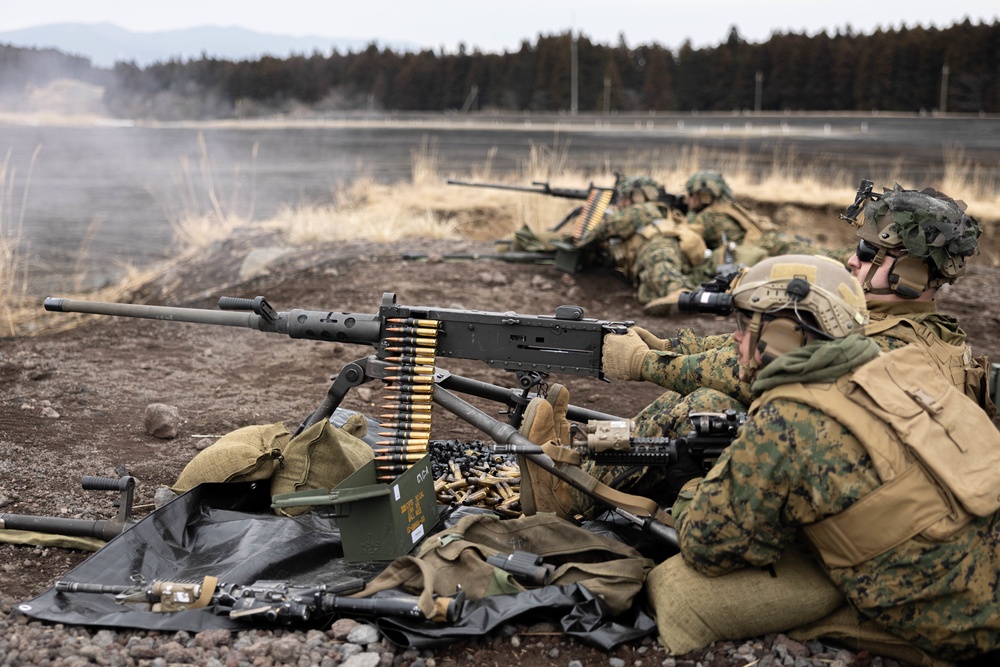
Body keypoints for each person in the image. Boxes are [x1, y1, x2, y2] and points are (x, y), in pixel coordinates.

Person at [519, 255, 1000, 663]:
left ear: (788, 338)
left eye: (747, 327)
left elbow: (709, 545)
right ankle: (575, 466)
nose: (736, 342)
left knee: (680, 586)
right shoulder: (905, 366)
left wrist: (689, 483)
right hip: (977, 568)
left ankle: (569, 484)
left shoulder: (790, 421)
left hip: (961, 623)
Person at [605, 183, 993, 452]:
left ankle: (572, 481)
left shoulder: (890, 346)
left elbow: (750, 368)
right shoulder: (919, 328)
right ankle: (596, 446)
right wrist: (675, 346)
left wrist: (643, 362)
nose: (851, 259)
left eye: (867, 250)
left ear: (909, 273)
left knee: (704, 406)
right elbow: (780, 339)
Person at [641, 170, 849, 316]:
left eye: (691, 195)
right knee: (823, 255)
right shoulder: (730, 207)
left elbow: (688, 235)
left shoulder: (707, 217)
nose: (687, 200)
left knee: (819, 261)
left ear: (703, 196)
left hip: (766, 248)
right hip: (775, 240)